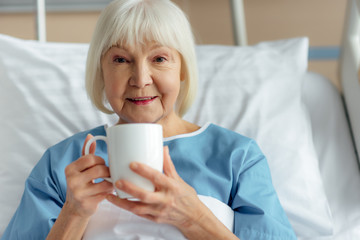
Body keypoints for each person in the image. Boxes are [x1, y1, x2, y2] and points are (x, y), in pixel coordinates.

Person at [2, 0, 297, 239]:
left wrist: (193, 217)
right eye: (120, 60)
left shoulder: (239, 158)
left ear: (182, 70)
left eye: (159, 59)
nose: (141, 80)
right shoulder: (63, 163)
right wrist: (74, 214)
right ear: (101, 72)